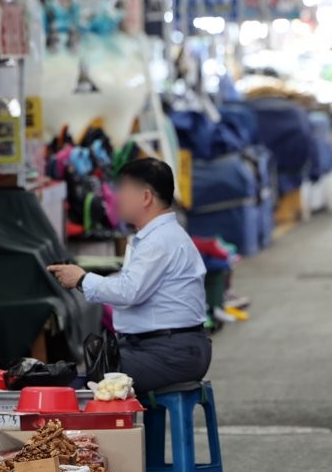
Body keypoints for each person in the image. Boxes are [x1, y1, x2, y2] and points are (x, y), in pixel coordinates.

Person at [48, 158, 211, 394]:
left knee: (93, 381)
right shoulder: (158, 236)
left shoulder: (159, 240)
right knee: (91, 370)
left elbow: (129, 291)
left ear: (146, 197)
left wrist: (82, 279)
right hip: (166, 348)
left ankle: (112, 432)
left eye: (122, 189)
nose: (116, 197)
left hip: (171, 353)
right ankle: (139, 432)